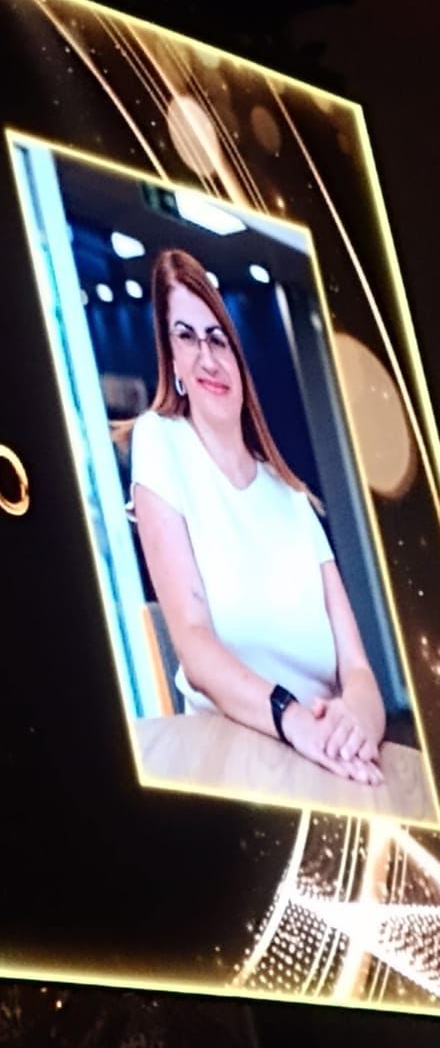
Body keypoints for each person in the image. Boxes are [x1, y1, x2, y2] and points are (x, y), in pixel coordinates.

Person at [130, 247, 384, 786]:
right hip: (233, 766)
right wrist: (293, 720)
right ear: (171, 360)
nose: (207, 358)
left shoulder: (290, 494)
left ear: (238, 355)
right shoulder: (160, 441)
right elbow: (194, 645)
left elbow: (358, 670)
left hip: (324, 762)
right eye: (186, 337)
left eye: (217, 338)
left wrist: (355, 726)